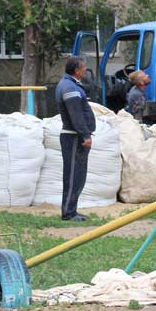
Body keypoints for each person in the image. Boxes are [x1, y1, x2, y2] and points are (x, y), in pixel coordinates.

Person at [55, 56, 96, 222]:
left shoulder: (70, 85)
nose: (85, 70)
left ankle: (72, 210)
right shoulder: (68, 87)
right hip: (73, 137)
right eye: (83, 67)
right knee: (73, 175)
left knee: (78, 175)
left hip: (75, 136)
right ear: (76, 70)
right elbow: (75, 115)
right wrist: (85, 135)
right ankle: (68, 212)